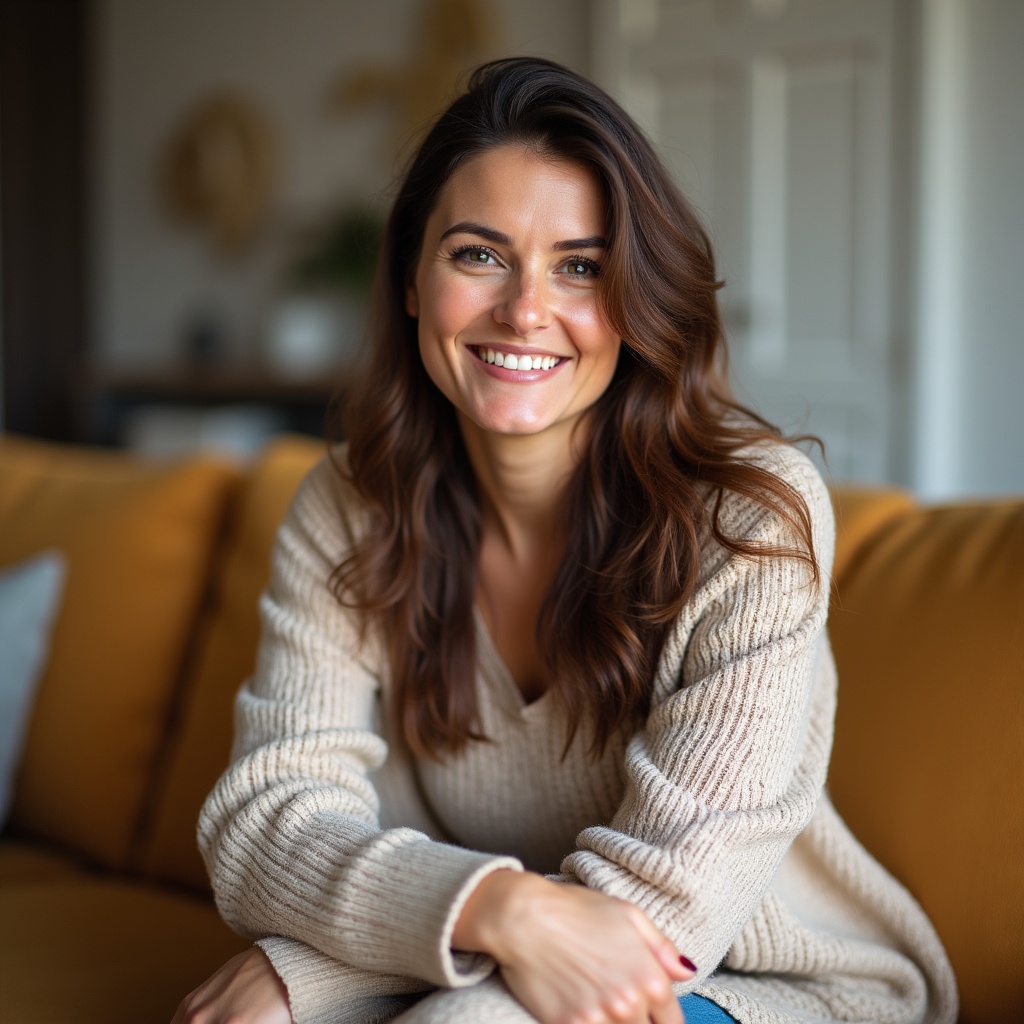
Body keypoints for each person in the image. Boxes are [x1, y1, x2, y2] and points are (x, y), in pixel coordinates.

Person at [173, 58, 957, 1024]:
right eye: (478, 254)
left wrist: (325, 971)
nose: (525, 310)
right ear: (413, 280)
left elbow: (660, 918)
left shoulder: (749, 520)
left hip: (755, 983)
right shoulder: (348, 506)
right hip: (501, 954)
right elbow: (263, 824)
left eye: (579, 267)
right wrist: (498, 909)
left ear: (634, 302)